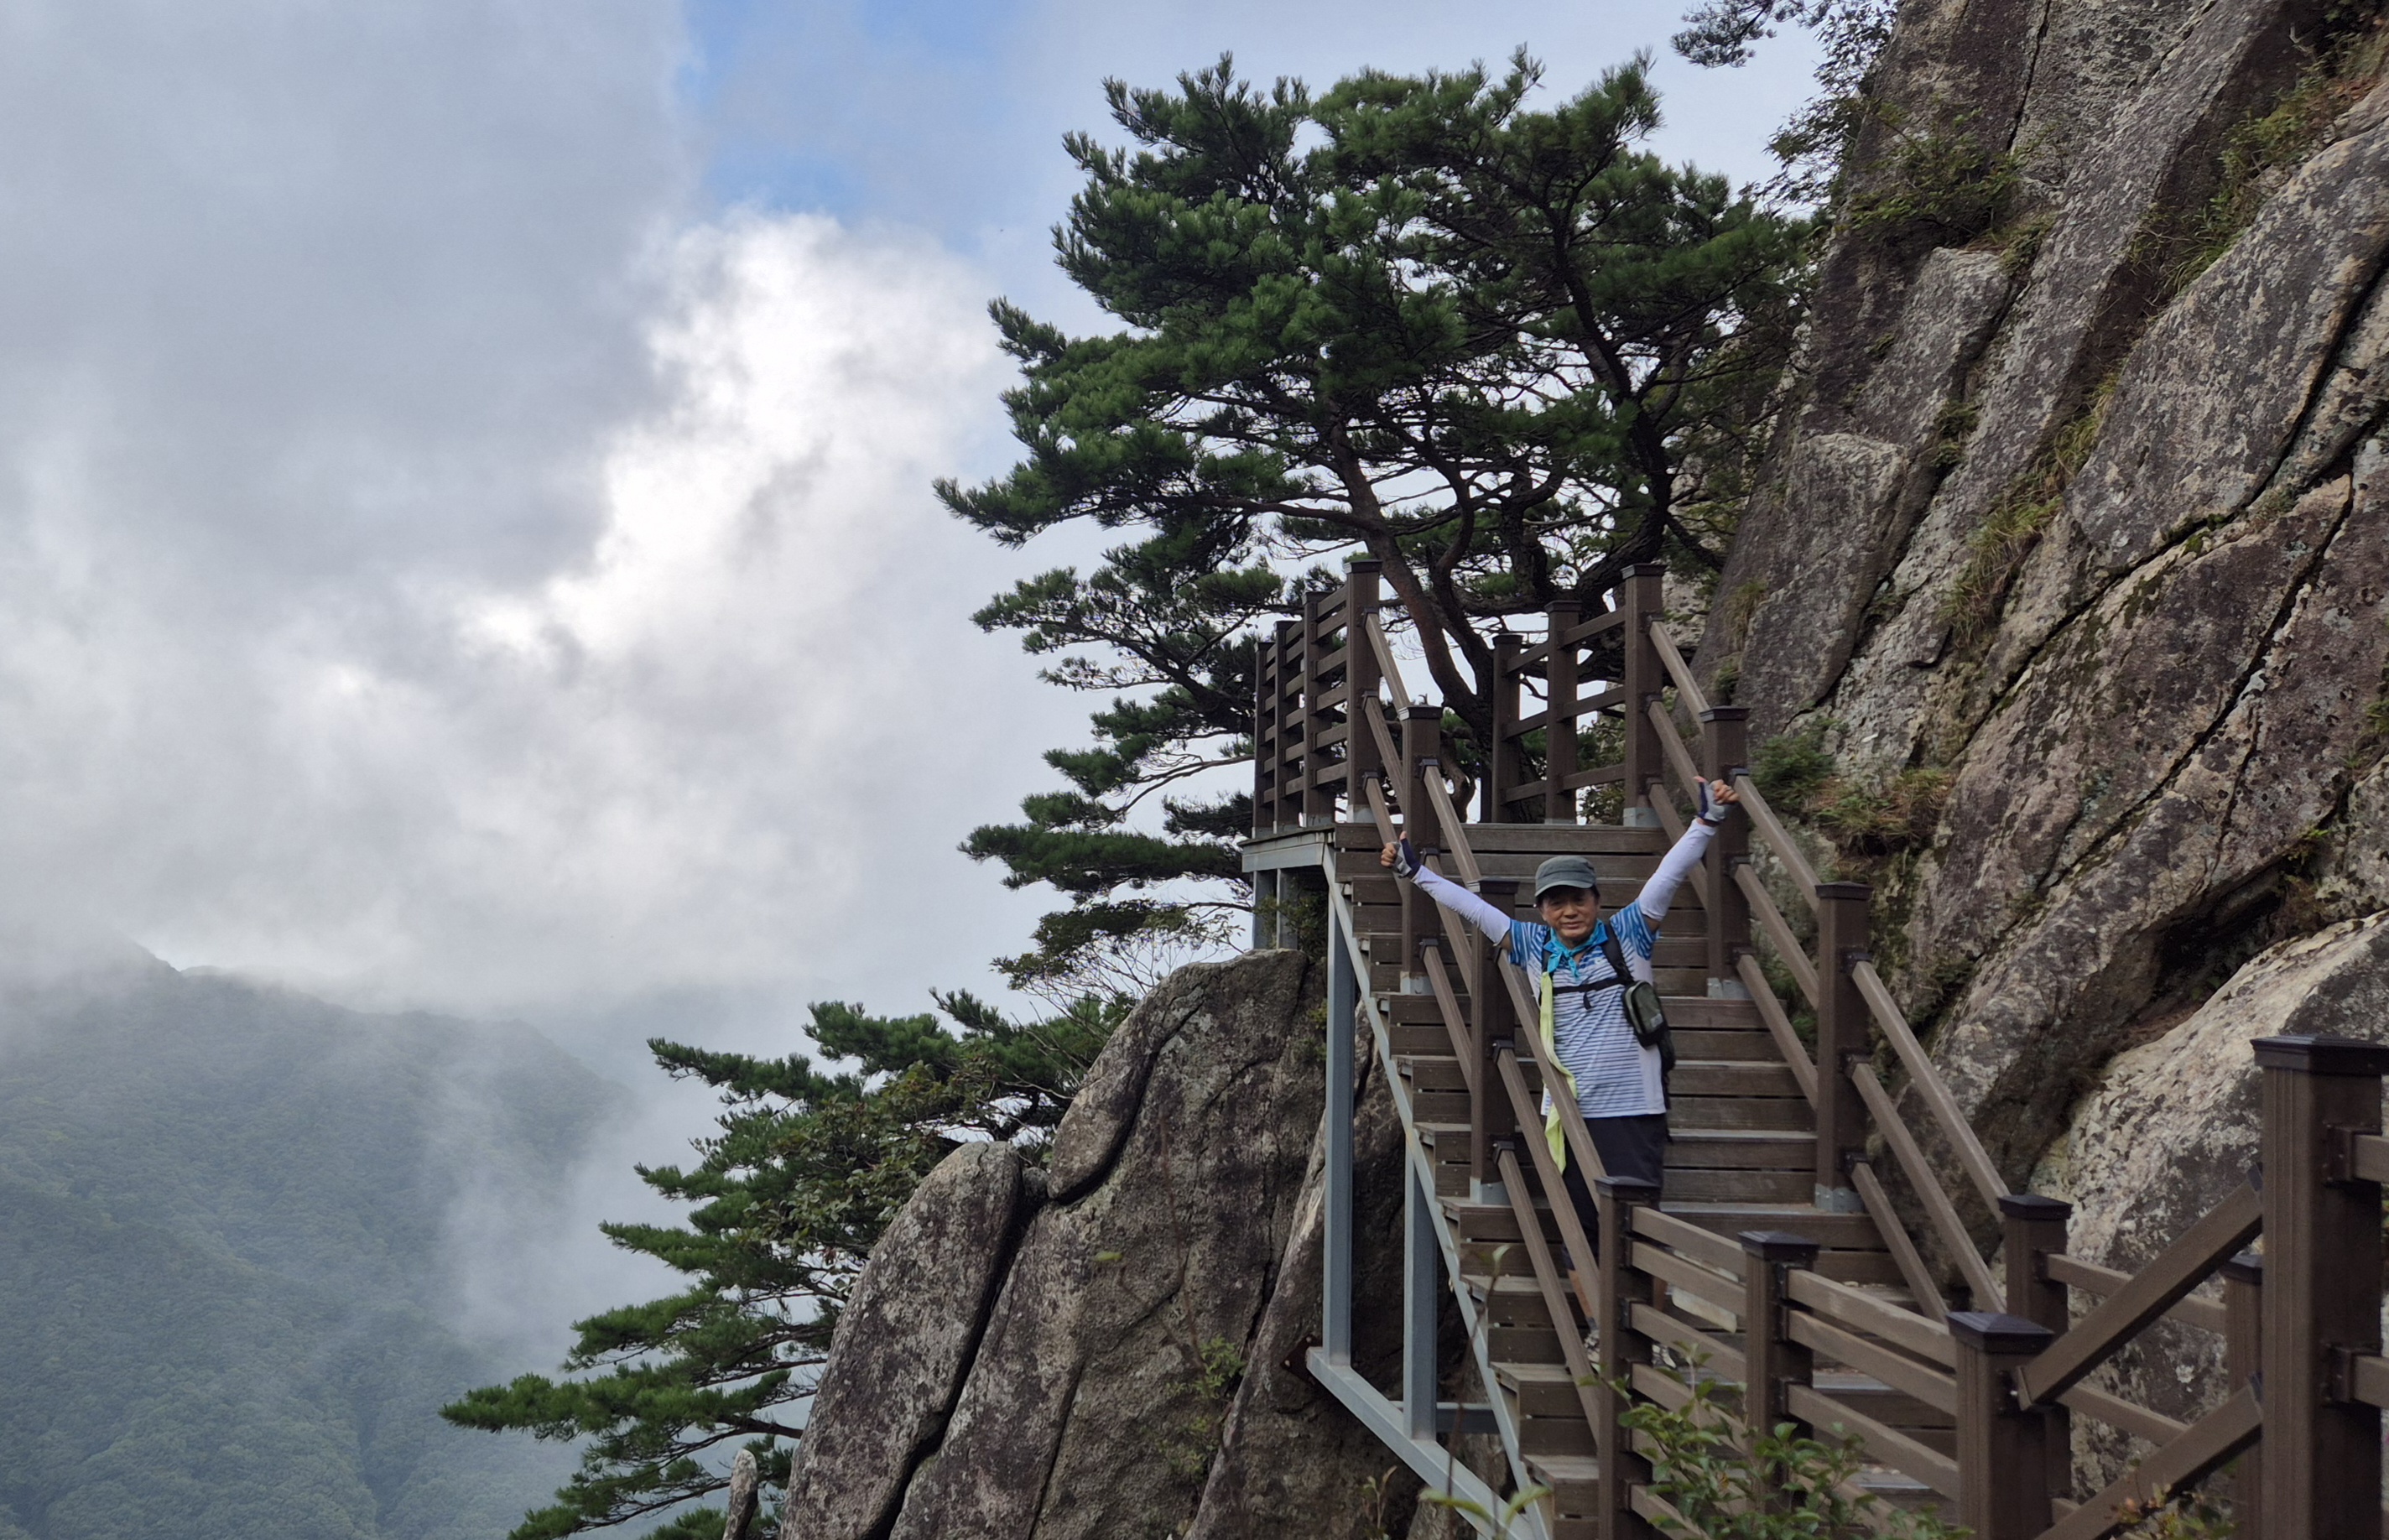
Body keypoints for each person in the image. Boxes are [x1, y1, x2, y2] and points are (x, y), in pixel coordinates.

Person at [1380, 778, 1739, 1259]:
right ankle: (1592, 1309)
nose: (1570, 911)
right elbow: (1473, 908)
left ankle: (1639, 1308)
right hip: (1568, 1114)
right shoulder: (1534, 946)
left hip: (1633, 1108)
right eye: (1556, 902)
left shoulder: (1629, 933)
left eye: (1579, 899)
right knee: (1579, 1233)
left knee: (1642, 1232)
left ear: (1597, 900)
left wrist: (1707, 822)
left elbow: (1667, 877)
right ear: (1542, 910)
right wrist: (1414, 872)